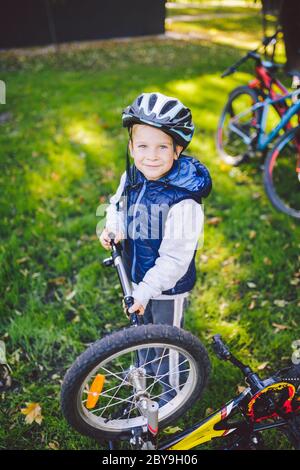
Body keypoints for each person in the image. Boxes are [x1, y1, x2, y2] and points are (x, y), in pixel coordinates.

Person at [99, 92, 212, 406]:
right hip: (139, 273)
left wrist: (147, 288)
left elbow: (175, 259)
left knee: (166, 341)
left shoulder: (184, 202)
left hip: (166, 285)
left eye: (162, 146)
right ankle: (141, 369)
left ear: (177, 150)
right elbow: (117, 206)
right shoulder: (134, 174)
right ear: (131, 146)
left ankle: (169, 397)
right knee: (141, 329)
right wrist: (114, 228)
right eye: (142, 146)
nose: (150, 156)